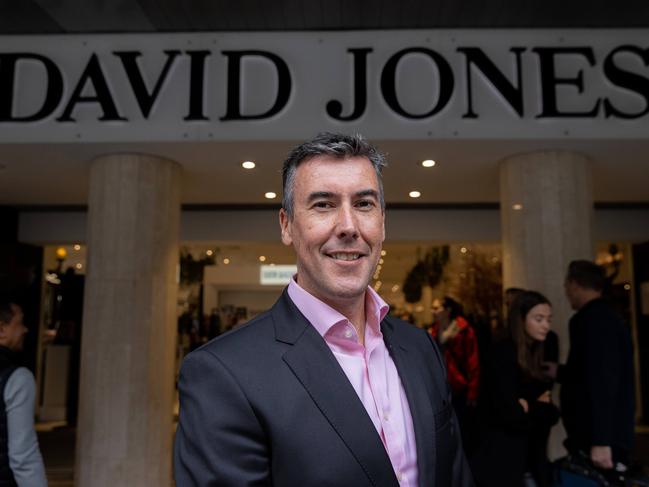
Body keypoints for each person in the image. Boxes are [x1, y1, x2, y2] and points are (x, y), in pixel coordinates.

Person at [174, 133, 473, 486]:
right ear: (286, 226)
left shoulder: (420, 348)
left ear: (382, 222)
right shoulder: (223, 374)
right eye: (323, 205)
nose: (348, 226)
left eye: (364, 204)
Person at [471, 291, 559, 487]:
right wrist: (536, 407)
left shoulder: (536, 351)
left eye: (548, 319)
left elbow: (552, 413)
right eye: (539, 319)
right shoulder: (502, 353)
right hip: (501, 462)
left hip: (529, 458)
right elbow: (510, 414)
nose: (546, 325)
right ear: (521, 319)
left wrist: (530, 407)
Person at [560, 260, 635, 476]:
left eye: (566, 284)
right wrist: (561, 372)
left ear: (574, 284)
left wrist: (601, 440)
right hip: (599, 435)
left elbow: (603, 379)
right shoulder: (605, 317)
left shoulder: (595, 321)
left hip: (602, 439)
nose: (566, 291)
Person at [0, 300, 47, 487]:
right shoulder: (18, 378)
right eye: (19, 323)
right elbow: (23, 457)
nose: (25, 330)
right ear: (2, 330)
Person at [428, 297, 480, 451]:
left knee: (463, 426)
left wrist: (473, 391)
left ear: (448, 310)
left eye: (437, 308)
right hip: (441, 385)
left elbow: (473, 362)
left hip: (460, 385)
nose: (433, 312)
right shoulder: (434, 331)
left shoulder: (464, 330)